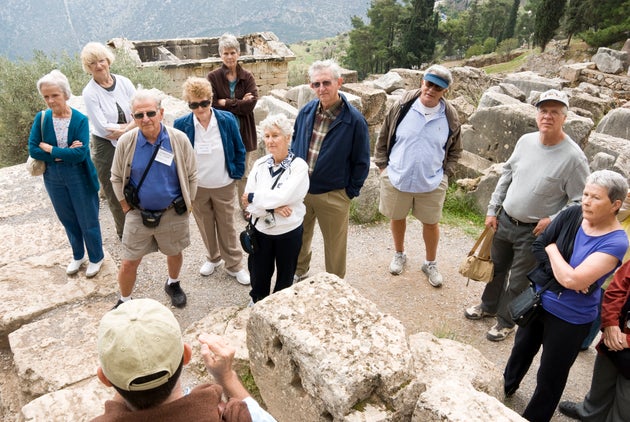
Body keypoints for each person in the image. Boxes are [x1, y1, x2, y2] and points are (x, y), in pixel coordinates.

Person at [464, 89, 590, 342]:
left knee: (519, 281)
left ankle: (506, 321)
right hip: (505, 220)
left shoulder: (574, 158)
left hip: (534, 231)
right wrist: (493, 209)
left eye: (555, 112)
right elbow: (506, 176)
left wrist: (553, 220)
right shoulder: (525, 141)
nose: (548, 116)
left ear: (565, 117)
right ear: (537, 115)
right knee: (496, 269)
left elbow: (579, 200)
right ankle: (488, 307)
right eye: (543, 111)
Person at [503, 170, 629, 422]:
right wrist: (559, 267)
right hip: (539, 302)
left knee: (551, 376)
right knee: (520, 351)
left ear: (615, 204)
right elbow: (539, 245)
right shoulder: (573, 214)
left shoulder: (617, 241)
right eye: (585, 194)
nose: (586, 201)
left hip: (570, 318)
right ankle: (504, 390)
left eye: (595, 197)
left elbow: (573, 280)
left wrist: (554, 251)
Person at [93, 298, 276, 421]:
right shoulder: (235, 416)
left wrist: (123, 372)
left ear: (104, 378)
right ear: (186, 355)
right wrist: (227, 377)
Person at [374, 64, 462, 287]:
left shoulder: (450, 117)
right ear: (422, 82)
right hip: (397, 175)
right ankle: (399, 253)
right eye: (428, 83)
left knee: (431, 223)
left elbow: (455, 151)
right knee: (397, 217)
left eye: (438, 87)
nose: (431, 90)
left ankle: (430, 262)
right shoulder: (402, 106)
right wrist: (383, 166)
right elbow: (383, 135)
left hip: (431, 180)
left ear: (445, 91)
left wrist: (445, 174)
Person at [110, 90, 197, 309]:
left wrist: (188, 205)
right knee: (129, 261)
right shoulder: (126, 142)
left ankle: (173, 283)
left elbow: (192, 174)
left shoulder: (178, 139)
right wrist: (125, 207)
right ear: (133, 117)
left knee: (174, 252)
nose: (145, 119)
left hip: (172, 211)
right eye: (139, 115)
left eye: (150, 113)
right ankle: (125, 300)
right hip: (138, 213)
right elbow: (116, 177)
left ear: (161, 112)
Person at [291, 59, 370, 279]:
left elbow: (362, 161)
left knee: (335, 246)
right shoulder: (306, 112)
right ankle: (300, 273)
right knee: (299, 236)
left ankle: (335, 284)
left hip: (333, 194)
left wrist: (348, 193)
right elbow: (295, 143)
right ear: (311, 86)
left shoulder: (354, 120)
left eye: (326, 82)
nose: (321, 88)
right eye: (316, 84)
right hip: (302, 191)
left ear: (339, 83)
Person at [174, 77, 250, 285]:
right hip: (198, 187)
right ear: (188, 103)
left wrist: (236, 175)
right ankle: (213, 258)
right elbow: (178, 156)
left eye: (204, 103)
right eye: (194, 104)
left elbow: (239, 148)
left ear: (211, 99)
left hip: (223, 184)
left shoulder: (226, 120)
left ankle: (234, 265)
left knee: (227, 225)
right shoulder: (181, 125)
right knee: (205, 224)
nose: (200, 108)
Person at [28, 70, 104, 278]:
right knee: (67, 217)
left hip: (79, 175)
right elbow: (33, 148)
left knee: (87, 218)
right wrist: (63, 154)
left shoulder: (79, 119)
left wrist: (51, 150)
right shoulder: (42, 118)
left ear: (66, 94)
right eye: (46, 96)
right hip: (53, 177)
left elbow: (79, 154)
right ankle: (78, 255)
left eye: (55, 95)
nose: (50, 100)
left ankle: (96, 257)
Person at [241, 114, 309, 303]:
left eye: (275, 135)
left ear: (288, 137)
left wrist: (257, 199)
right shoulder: (260, 164)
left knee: (285, 275)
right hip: (260, 229)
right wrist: (273, 208)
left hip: (288, 231)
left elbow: (282, 196)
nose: (270, 141)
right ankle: (257, 301)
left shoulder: (299, 167)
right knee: (258, 272)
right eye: (267, 136)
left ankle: (278, 306)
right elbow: (247, 202)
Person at [558, 260, 630, 422]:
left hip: (625, 339)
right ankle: (589, 413)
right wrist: (611, 324)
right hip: (616, 336)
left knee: (626, 405)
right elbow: (617, 289)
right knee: (602, 382)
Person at [81, 42, 136, 239]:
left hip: (132, 139)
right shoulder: (90, 93)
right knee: (114, 190)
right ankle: (125, 232)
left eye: (101, 60)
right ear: (88, 67)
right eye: (93, 63)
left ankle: (143, 227)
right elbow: (103, 128)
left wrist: (126, 128)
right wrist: (131, 125)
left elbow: (138, 112)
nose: (99, 65)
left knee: (137, 181)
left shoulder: (123, 82)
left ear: (108, 61)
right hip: (106, 148)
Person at [208, 33, 259, 213]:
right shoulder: (213, 77)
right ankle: (224, 206)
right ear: (220, 55)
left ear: (238, 53)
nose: (229, 57)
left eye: (232, 52)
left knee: (243, 173)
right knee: (223, 169)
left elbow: (250, 105)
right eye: (225, 53)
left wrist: (226, 102)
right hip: (222, 133)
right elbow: (212, 104)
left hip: (243, 132)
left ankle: (244, 206)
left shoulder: (247, 77)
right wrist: (239, 101)